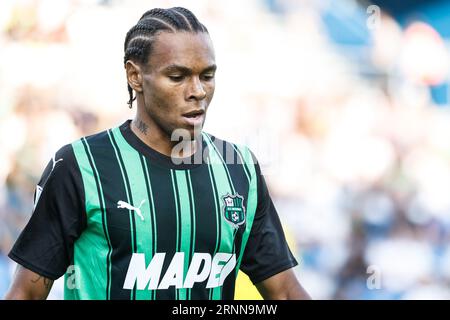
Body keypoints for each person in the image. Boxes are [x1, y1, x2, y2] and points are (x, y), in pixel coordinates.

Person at [4, 7, 310, 300]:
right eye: (177, 77)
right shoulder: (79, 166)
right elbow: (27, 293)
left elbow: (283, 290)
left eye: (207, 76)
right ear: (135, 76)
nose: (198, 91)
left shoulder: (239, 169)